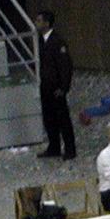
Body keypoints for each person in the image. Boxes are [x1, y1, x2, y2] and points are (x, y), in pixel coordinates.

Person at [34, 10, 75, 160]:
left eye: (39, 21)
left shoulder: (57, 41)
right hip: (45, 85)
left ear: (47, 23)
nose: (36, 24)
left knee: (62, 119)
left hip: (56, 87)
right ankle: (54, 146)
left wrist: (64, 87)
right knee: (49, 118)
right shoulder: (40, 40)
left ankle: (70, 149)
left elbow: (65, 66)